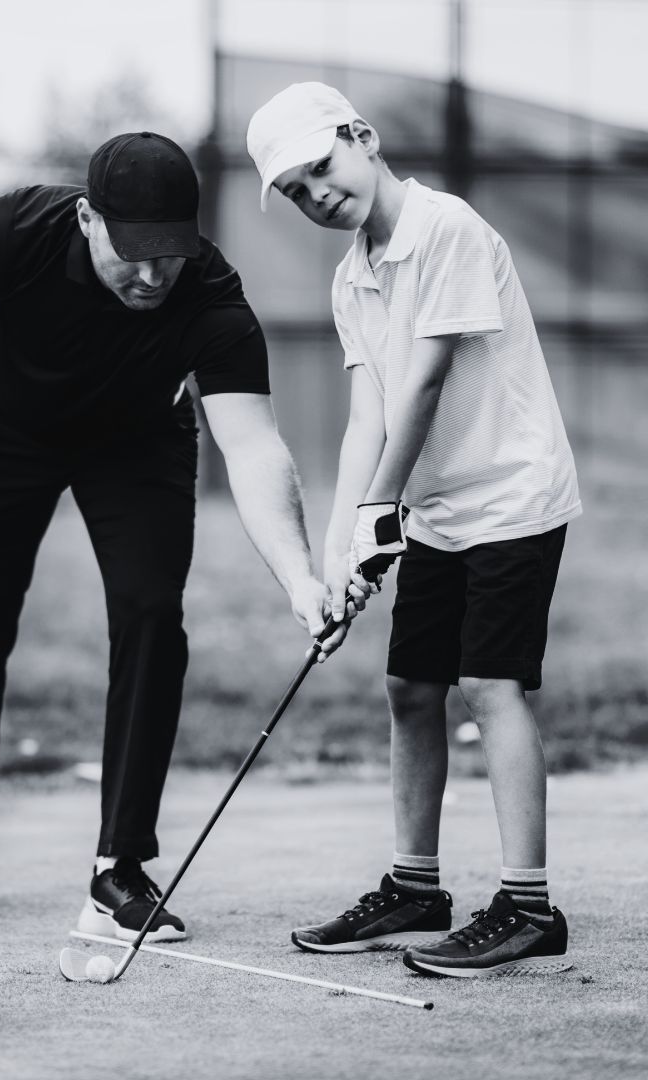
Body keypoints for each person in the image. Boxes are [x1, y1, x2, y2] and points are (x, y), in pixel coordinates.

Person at [0, 131, 365, 941]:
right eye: (134, 252)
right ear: (89, 219)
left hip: (136, 445)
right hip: (3, 427)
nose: (154, 274)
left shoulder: (210, 296)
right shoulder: (18, 228)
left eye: (170, 253)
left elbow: (254, 445)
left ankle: (119, 867)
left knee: (150, 616)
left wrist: (301, 578)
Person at [247, 84, 582, 977]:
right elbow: (369, 417)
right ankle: (415, 887)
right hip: (435, 510)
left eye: (321, 168)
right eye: (296, 192)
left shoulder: (449, 230)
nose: (318, 195)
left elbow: (425, 387)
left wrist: (378, 513)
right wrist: (334, 559)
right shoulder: (351, 273)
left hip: (510, 494)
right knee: (409, 687)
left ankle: (526, 905)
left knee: (489, 683)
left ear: (363, 138)